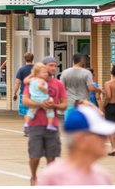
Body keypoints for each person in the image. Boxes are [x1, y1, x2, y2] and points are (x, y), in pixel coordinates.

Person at [36, 104, 115, 185]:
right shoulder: (54, 177)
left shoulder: (103, 176)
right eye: (100, 135)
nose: (105, 139)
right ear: (81, 139)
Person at [22, 56, 67, 186]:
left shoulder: (58, 84)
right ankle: (34, 176)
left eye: (55, 66)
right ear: (43, 67)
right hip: (35, 124)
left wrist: (54, 106)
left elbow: (64, 105)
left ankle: (49, 179)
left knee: (51, 156)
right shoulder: (33, 82)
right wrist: (40, 104)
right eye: (50, 65)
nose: (53, 68)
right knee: (34, 155)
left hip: (51, 125)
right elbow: (25, 100)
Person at [26, 63, 58, 131]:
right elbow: (40, 86)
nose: (46, 74)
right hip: (43, 99)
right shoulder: (42, 80)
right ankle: (50, 125)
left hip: (34, 99)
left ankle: (26, 124)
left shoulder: (32, 80)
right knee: (50, 111)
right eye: (44, 72)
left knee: (31, 112)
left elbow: (25, 81)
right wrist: (46, 90)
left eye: (46, 72)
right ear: (37, 73)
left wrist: (32, 75)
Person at [13, 52, 35, 136]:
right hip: (35, 94)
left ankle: (27, 128)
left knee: (26, 112)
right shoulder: (36, 69)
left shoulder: (21, 69)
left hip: (24, 93)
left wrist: (14, 93)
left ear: (24, 59)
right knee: (34, 111)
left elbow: (17, 82)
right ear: (33, 58)